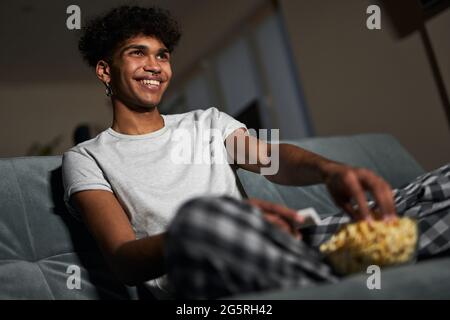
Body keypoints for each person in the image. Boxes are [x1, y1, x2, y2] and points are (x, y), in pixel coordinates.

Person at [62, 6, 450, 299]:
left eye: (162, 55)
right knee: (208, 217)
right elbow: (123, 259)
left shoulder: (205, 122)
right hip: (205, 278)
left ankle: (331, 271)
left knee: (441, 185)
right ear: (104, 71)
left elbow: (271, 159)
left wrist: (329, 169)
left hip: (286, 244)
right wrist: (208, 230)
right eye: (137, 53)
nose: (155, 66)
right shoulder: (86, 157)